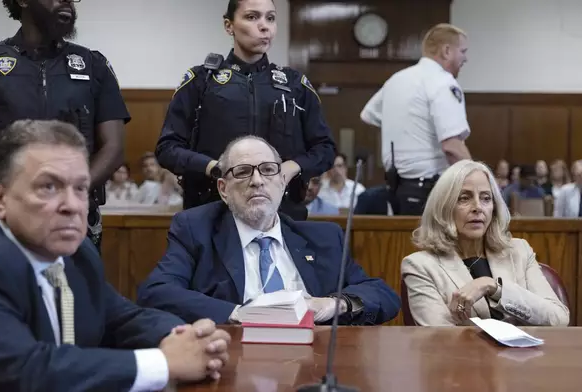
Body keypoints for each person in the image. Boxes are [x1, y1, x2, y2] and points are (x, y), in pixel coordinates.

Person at [0, 120, 231, 391]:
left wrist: (183, 337)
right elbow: (29, 371)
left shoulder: (77, 252)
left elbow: (121, 318)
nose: (72, 206)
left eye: (80, 188)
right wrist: (165, 363)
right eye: (48, 187)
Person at [137, 136, 401, 325]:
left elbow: (383, 295)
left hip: (312, 363)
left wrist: (332, 304)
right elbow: (156, 292)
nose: (257, 181)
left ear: (282, 182)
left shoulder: (324, 238)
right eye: (242, 172)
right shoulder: (197, 229)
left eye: (268, 170)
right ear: (223, 189)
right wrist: (239, 314)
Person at [0, 0, 129, 251]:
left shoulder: (93, 65)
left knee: (72, 290)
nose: (67, 1)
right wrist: (17, 193)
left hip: (71, 224)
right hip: (1, 222)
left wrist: (68, 193)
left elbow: (113, 147)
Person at [155, 0, 336, 220]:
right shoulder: (201, 81)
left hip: (282, 213)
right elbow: (167, 148)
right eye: (252, 17)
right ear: (229, 25)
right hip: (211, 212)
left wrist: (292, 167)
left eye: (270, 18)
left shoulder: (294, 84)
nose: (264, 26)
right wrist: (214, 167)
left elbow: (325, 148)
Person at [401, 160, 569, 326]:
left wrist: (494, 288)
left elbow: (558, 319)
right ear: (444, 208)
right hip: (462, 354)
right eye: (464, 198)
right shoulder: (420, 266)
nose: (477, 207)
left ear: (494, 208)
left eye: (486, 198)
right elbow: (438, 338)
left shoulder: (519, 251)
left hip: (525, 353)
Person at [360, 23, 472, 215]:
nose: (466, 58)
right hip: (430, 190)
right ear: (447, 51)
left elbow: (369, 115)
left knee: (408, 245)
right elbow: (452, 147)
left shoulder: (397, 79)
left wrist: (406, 128)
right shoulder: (442, 81)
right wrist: (480, 180)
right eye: (462, 51)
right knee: (433, 245)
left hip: (397, 188)